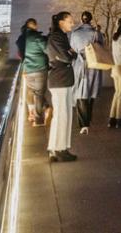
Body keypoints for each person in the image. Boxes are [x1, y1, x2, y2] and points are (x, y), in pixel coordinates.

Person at [46, 11, 77, 162]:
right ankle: (60, 148)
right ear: (61, 22)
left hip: (62, 79)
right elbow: (67, 56)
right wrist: (71, 54)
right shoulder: (57, 37)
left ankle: (56, 148)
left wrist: (71, 54)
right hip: (60, 79)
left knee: (63, 115)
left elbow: (68, 55)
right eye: (70, 21)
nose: (73, 23)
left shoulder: (60, 37)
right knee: (62, 115)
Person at [69, 11, 104, 134]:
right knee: (90, 93)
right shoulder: (96, 33)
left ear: (81, 19)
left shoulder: (75, 33)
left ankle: (84, 123)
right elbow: (101, 47)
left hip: (79, 64)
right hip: (93, 65)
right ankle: (88, 119)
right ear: (90, 19)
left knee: (80, 93)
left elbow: (72, 48)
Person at [17, 18, 50, 126]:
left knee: (31, 91)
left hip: (27, 69)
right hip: (39, 68)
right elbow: (47, 50)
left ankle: (41, 109)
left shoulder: (21, 38)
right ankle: (39, 120)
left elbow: (20, 54)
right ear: (35, 26)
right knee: (39, 94)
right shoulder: (37, 37)